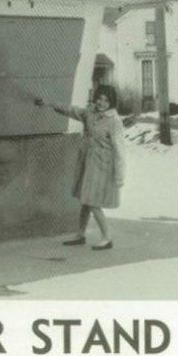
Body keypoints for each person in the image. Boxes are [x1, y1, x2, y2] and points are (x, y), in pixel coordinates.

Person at [34, 85, 126, 250]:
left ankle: (107, 237)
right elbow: (70, 110)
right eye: (99, 98)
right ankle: (80, 234)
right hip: (87, 162)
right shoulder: (89, 113)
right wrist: (48, 104)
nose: (102, 102)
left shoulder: (114, 121)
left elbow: (120, 149)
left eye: (106, 100)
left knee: (92, 201)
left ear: (111, 102)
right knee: (85, 198)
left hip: (103, 166)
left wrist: (120, 175)